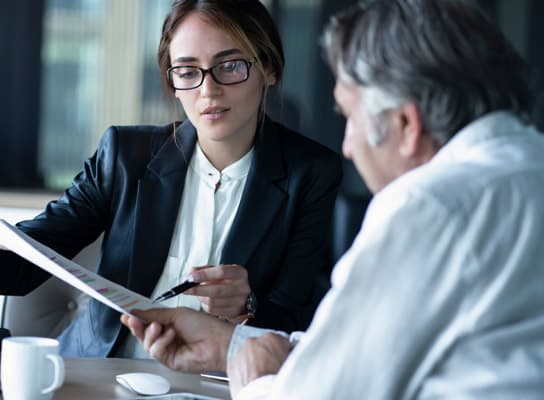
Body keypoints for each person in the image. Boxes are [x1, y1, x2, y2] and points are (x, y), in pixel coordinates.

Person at [122, 0, 544, 398]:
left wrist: (256, 379)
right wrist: (234, 343)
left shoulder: (431, 206)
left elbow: (326, 394)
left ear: (405, 126)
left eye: (350, 116)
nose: (347, 146)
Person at [0, 0, 342, 358]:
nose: (208, 90)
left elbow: (300, 318)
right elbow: (28, 260)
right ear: (173, 82)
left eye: (230, 66)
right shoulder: (124, 155)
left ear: (269, 69)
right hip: (99, 374)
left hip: (219, 383)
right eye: (187, 71)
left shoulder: (312, 173)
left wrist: (248, 306)